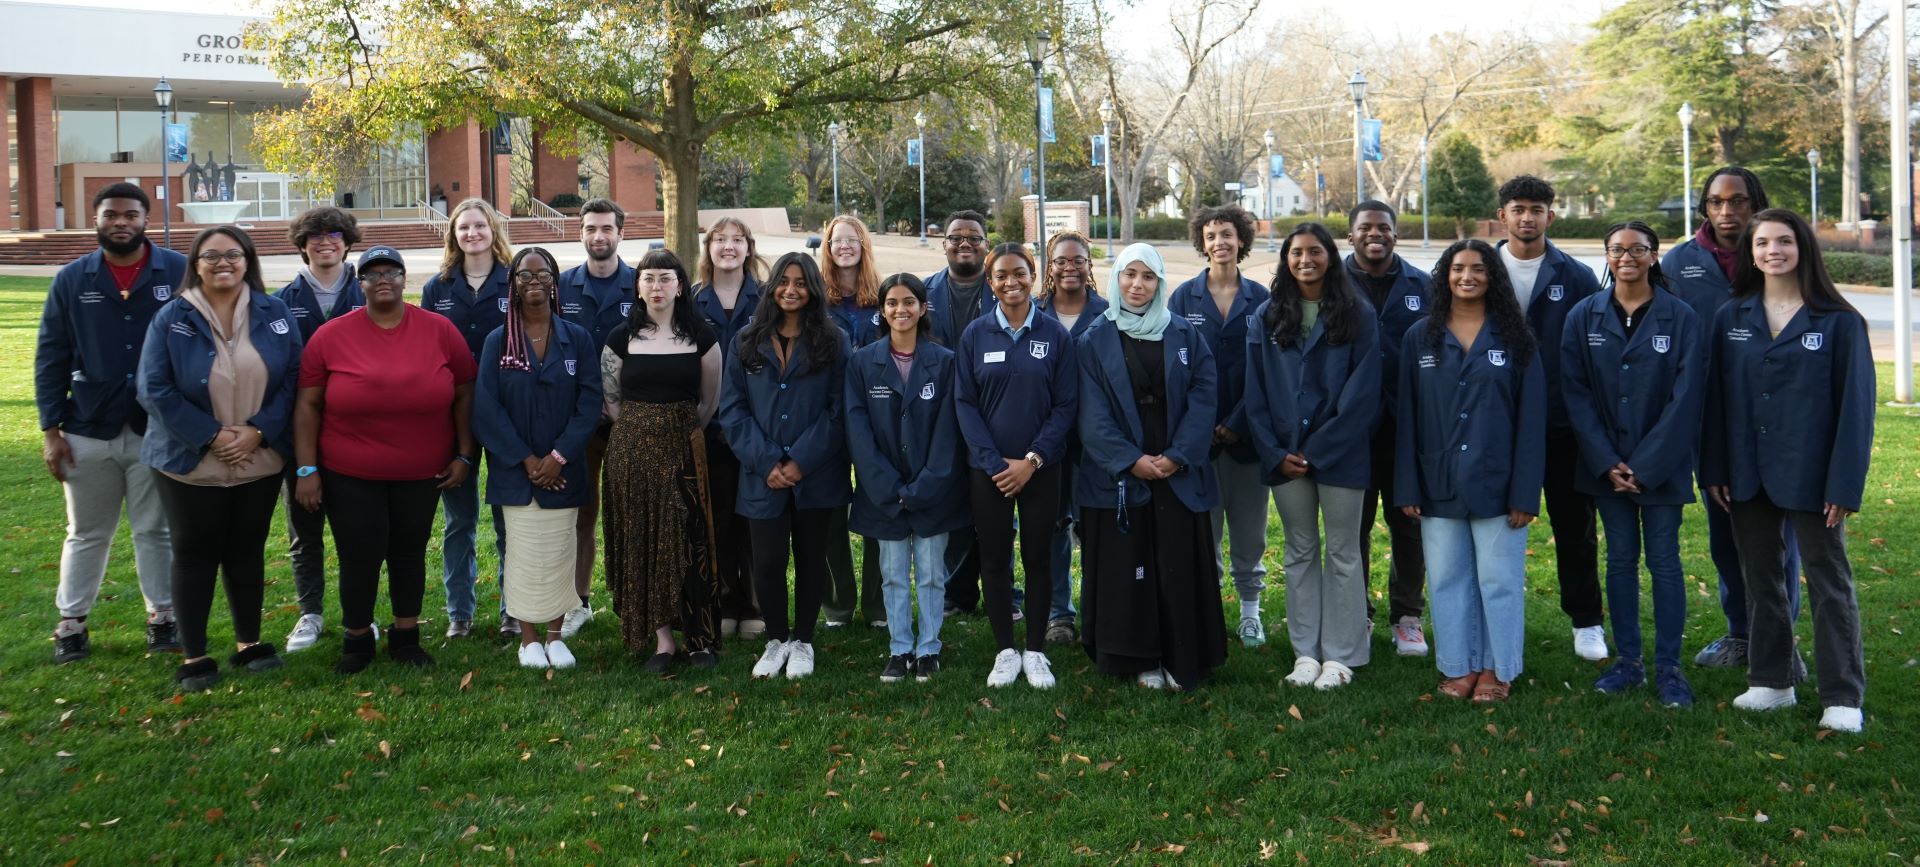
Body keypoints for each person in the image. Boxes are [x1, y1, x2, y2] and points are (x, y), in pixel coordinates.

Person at [1703, 209, 1873, 733]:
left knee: (1828, 582)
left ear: (1802, 248)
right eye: (1761, 242)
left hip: (1814, 477)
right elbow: (1716, 402)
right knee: (1761, 580)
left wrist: (1844, 484)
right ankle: (1771, 681)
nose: (1771, 250)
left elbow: (1856, 411)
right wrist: (1714, 470)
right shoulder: (1731, 317)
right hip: (1746, 473)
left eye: (1783, 241)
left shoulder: (1839, 321)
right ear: (1750, 252)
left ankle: (1842, 695)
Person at [293, 246, 477, 674]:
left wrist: (464, 454)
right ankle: (357, 638)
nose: (382, 280)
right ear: (360, 284)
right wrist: (307, 469)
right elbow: (307, 406)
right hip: (349, 471)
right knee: (359, 553)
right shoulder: (332, 335)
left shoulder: (439, 330)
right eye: (372, 274)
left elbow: (466, 391)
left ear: (404, 279)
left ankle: (406, 637)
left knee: (408, 551)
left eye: (391, 272)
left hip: (422, 470)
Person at [137, 226, 302, 691]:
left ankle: (249, 643)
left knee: (246, 551)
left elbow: (294, 376)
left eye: (233, 254)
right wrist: (209, 435)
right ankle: (195, 655)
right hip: (188, 459)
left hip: (258, 457)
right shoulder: (171, 317)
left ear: (248, 260)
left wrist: (259, 431)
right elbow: (154, 389)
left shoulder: (276, 313)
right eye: (211, 256)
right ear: (197, 263)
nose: (223, 263)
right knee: (193, 553)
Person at [1661, 167, 1802, 669]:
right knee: (1727, 528)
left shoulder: (1779, 254)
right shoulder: (1680, 263)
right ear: (1704, 208)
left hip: (1777, 415)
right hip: (1709, 419)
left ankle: (1783, 642)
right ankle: (1741, 633)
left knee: (1780, 533)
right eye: (1717, 202)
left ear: (1755, 202)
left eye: (1738, 201)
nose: (1727, 212)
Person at [36, 182, 183, 663]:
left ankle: (163, 617)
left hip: (155, 427)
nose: (121, 222)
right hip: (87, 427)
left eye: (130, 214)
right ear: (96, 219)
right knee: (86, 532)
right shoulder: (73, 278)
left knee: (154, 530)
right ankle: (72, 623)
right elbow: (51, 356)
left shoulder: (177, 271)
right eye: (110, 215)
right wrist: (51, 432)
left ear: (145, 218)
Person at [1562, 222, 1706, 707]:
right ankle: (1628, 662)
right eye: (1617, 250)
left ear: (1653, 255)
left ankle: (1669, 668)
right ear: (1605, 256)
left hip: (1660, 468)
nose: (1626, 257)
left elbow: (1688, 397)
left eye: (1637, 249)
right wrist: (1607, 461)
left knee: (1664, 561)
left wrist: (1646, 464)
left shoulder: (1680, 316)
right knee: (1620, 560)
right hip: (1607, 469)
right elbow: (1575, 394)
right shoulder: (1583, 316)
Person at [1395, 239, 1545, 703]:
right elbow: (1407, 416)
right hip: (1436, 478)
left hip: (1498, 482)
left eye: (1478, 269)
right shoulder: (1420, 336)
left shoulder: (1516, 336)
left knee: (1497, 581)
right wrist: (1407, 485)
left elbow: (1532, 418)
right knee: (1446, 579)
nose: (1467, 276)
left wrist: (1525, 493)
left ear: (1492, 277)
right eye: (1457, 268)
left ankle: (1498, 670)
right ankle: (1459, 667)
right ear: (1444, 276)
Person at [1076, 243, 1227, 690]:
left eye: (1147, 277)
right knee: (1131, 567)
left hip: (1177, 470)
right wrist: (1130, 460)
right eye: (1129, 275)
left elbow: (1205, 394)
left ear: (1160, 283)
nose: (1137, 285)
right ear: (1116, 279)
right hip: (1122, 476)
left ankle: (1184, 656)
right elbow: (1091, 413)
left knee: (1176, 564)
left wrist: (1178, 456)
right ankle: (1138, 657)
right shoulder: (1093, 338)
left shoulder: (1183, 334)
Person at [1243, 223, 1381, 690]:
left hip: (1340, 454)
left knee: (1343, 552)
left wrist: (1318, 448)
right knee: (1300, 551)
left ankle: (1341, 655)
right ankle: (1306, 652)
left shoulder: (1357, 314)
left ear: (1330, 256)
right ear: (1285, 259)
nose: (1306, 259)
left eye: (1315, 251)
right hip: (1284, 456)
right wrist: (1275, 451)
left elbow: (1364, 393)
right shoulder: (1266, 316)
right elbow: (1255, 391)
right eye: (1297, 252)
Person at [720, 252, 852, 680]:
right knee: (769, 562)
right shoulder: (745, 340)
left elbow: (839, 411)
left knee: (812, 559)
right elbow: (732, 409)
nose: (791, 290)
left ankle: (804, 641)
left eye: (800, 282)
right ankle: (777, 639)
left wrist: (800, 461)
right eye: (784, 281)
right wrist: (769, 460)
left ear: (813, 289)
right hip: (763, 476)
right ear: (772, 286)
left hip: (816, 475)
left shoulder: (835, 340)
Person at [475, 246, 604, 671]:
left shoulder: (577, 338)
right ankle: (527, 637)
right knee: (523, 554)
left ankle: (555, 634)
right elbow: (487, 409)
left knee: (561, 551)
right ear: (512, 286)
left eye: (542, 275)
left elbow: (590, 402)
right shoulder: (499, 341)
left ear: (554, 283)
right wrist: (528, 461)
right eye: (524, 277)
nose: (534, 283)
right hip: (518, 472)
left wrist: (558, 456)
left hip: (564, 469)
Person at [956, 242, 1078, 689]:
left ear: (1033, 277)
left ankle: (1036, 650)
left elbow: (1066, 406)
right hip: (988, 471)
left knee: (1039, 557)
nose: (1012, 282)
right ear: (990, 284)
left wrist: (1031, 460)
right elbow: (965, 404)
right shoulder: (975, 336)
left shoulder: (1054, 334)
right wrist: (994, 464)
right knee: (994, 558)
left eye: (1020, 274)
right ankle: (1006, 649)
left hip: (1041, 468)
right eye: (1002, 275)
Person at [1493, 175, 1602, 660]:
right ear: (1503, 216)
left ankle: (1586, 622)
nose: (1527, 217)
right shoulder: (1479, 268)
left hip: (1560, 425)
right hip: (1494, 424)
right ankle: (1492, 619)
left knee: (1574, 525)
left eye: (1537, 209)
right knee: (1493, 528)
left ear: (1550, 217)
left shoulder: (1575, 276)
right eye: (1518, 208)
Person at [601, 249, 725, 674]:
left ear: (680, 285)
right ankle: (662, 641)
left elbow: (710, 399)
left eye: (665, 278)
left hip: (684, 451)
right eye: (648, 278)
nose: (657, 287)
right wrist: (643, 428)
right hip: (632, 453)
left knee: (692, 540)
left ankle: (701, 636)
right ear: (638, 286)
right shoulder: (621, 337)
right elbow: (611, 400)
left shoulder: (701, 336)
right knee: (644, 540)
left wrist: (676, 428)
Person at [845, 273, 967, 682]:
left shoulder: (946, 362)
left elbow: (950, 430)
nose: (901, 310)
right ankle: (900, 649)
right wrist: (886, 485)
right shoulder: (862, 362)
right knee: (893, 573)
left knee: (932, 573)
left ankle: (929, 647)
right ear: (882, 310)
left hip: (933, 490)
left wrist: (928, 483)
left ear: (922, 307)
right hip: (884, 493)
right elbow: (857, 429)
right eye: (892, 303)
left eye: (909, 302)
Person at [1168, 204, 1272, 647]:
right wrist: (1203, 426)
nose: (1219, 243)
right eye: (1211, 236)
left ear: (1241, 240)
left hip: (1247, 440)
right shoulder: (1182, 299)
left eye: (1227, 235)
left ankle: (1250, 613)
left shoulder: (1262, 300)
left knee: (1250, 535)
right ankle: (1208, 614)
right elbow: (1175, 372)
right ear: (1201, 243)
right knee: (1202, 536)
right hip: (1198, 444)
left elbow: (1267, 374)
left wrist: (1235, 423)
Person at [420, 198, 514, 639]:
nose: (472, 234)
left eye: (480, 226)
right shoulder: (437, 289)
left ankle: (513, 607)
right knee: (459, 518)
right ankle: (460, 610)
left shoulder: (514, 281)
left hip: (503, 413)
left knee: (506, 517)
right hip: (448, 417)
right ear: (453, 235)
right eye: (464, 228)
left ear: (493, 230)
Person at [1345, 201, 1434, 657]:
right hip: (1351, 432)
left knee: (1408, 525)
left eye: (1383, 227)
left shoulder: (1424, 285)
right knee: (1352, 528)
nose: (1375, 234)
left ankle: (1407, 617)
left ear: (1395, 235)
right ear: (1351, 236)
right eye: (1366, 228)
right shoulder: (1330, 284)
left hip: (1407, 429)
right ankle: (1356, 612)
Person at [275, 206, 364, 653]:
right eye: (314, 235)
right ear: (302, 244)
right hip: (301, 433)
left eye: (334, 233)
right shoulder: (279, 302)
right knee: (304, 532)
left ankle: (358, 615)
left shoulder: (369, 294)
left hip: (359, 434)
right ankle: (310, 614)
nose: (324, 241)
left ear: (347, 242)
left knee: (357, 532)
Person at [553, 198, 636, 640]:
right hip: (578, 423)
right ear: (580, 233)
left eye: (606, 228)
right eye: (590, 229)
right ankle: (578, 601)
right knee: (580, 515)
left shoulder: (642, 283)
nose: (598, 236)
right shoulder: (562, 288)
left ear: (621, 232)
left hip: (631, 421)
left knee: (628, 514)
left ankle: (633, 598)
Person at [692, 217, 767, 641]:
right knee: (716, 519)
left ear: (748, 248)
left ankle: (753, 603)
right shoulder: (694, 299)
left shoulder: (765, 299)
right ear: (709, 249)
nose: (728, 247)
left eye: (737, 240)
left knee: (753, 519)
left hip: (756, 428)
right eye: (720, 240)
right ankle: (722, 602)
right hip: (709, 429)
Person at [1034, 230, 1109, 645]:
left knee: (1094, 525)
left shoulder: (1107, 313)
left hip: (1093, 443)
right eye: (1061, 260)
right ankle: (1059, 614)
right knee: (1051, 530)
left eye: (1078, 260)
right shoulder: (1032, 312)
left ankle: (1100, 609)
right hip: (1046, 443)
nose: (1069, 267)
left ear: (1089, 265)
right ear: (1050, 266)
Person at [927, 210, 999, 618]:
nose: (965, 243)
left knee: (996, 510)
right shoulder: (925, 292)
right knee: (954, 509)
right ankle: (958, 593)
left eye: (974, 236)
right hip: (941, 418)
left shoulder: (1001, 289)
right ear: (945, 244)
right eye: (957, 237)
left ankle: (1000, 590)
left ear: (986, 245)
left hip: (995, 416)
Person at [818, 215, 886, 629]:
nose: (844, 246)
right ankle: (838, 603)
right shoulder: (816, 302)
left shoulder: (881, 297)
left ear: (864, 245)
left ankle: (878, 604)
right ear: (826, 246)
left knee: (879, 505)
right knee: (829, 511)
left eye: (852, 239)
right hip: (829, 416)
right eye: (836, 240)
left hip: (878, 418)